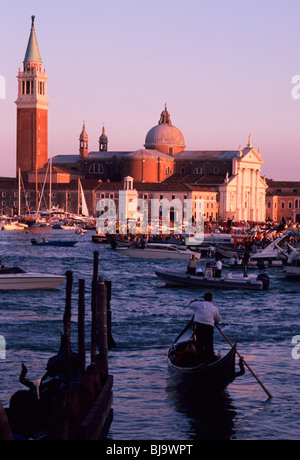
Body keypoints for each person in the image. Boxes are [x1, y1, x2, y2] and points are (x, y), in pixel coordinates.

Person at [190, 292, 221, 364]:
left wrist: (194, 301)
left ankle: (200, 361)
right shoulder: (214, 308)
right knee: (209, 345)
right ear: (211, 299)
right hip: (209, 328)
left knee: (200, 344)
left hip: (200, 327)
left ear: (204, 298)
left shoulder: (198, 303)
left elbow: (190, 305)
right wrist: (213, 320)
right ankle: (209, 361)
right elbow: (218, 320)